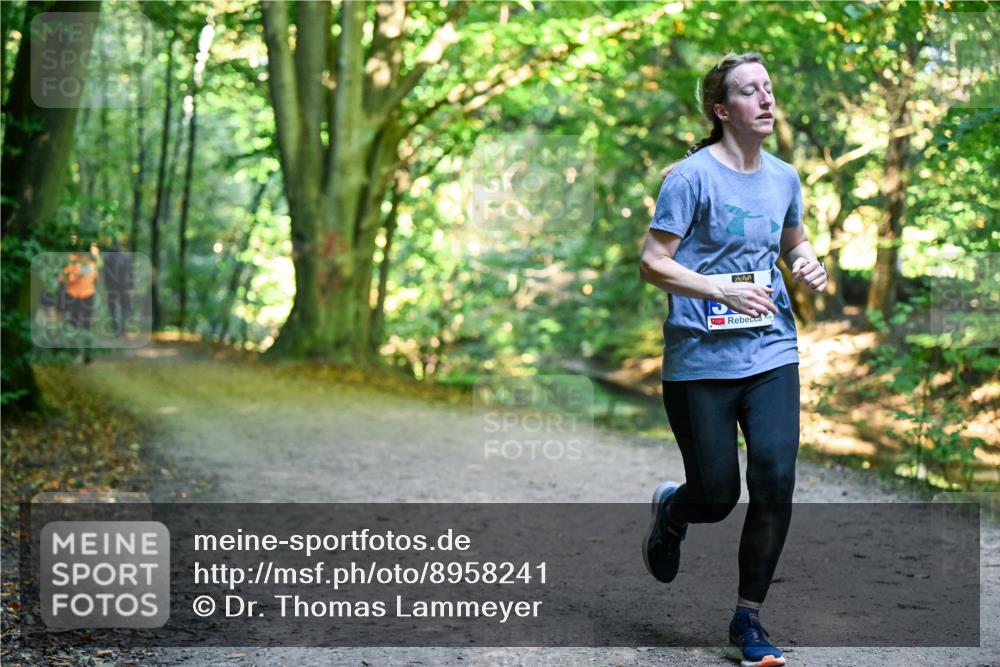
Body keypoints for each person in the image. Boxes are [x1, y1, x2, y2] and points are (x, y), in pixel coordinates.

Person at [638, 51, 827, 667]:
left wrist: (807, 264)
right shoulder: (690, 178)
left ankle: (748, 617)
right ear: (722, 111)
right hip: (700, 359)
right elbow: (653, 262)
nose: (766, 99)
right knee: (717, 495)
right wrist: (718, 289)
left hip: (771, 350)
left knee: (774, 478)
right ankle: (675, 510)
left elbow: (794, 243)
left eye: (768, 88)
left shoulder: (784, 177)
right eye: (750, 91)